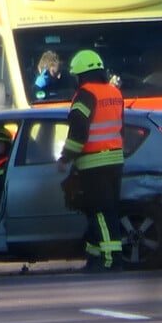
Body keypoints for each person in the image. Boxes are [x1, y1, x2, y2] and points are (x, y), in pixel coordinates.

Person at [57, 49, 125, 272]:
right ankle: (94, 257)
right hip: (115, 162)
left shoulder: (85, 95)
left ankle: (110, 259)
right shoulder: (114, 93)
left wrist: (66, 157)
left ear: (81, 75)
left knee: (101, 212)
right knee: (106, 210)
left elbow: (78, 132)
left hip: (93, 164)